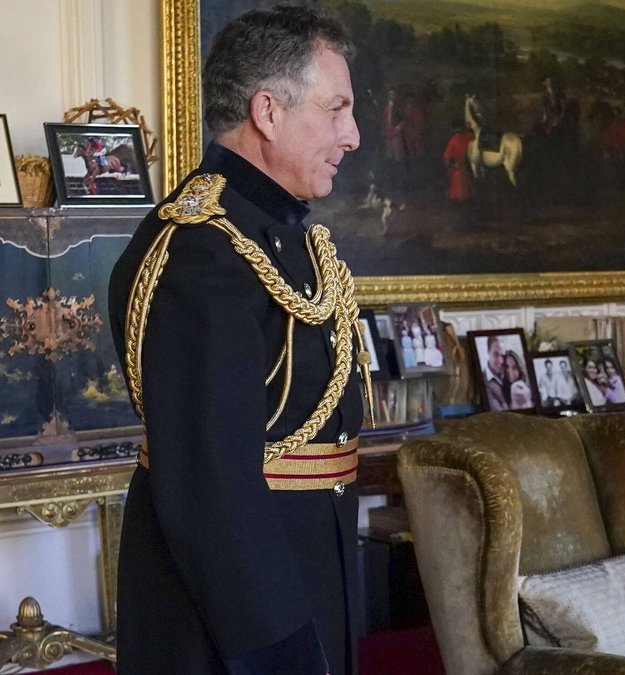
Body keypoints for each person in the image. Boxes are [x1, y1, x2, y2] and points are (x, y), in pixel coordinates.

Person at [107, 7, 370, 674]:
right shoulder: (202, 251)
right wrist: (282, 653)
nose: (354, 135)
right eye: (337, 109)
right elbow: (212, 490)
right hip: (233, 628)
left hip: (306, 581)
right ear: (269, 112)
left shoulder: (286, 238)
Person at [482, 335, 508, 410]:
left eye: (503, 355)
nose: (500, 360)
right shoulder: (483, 380)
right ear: (488, 352)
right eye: (496, 354)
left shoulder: (510, 374)